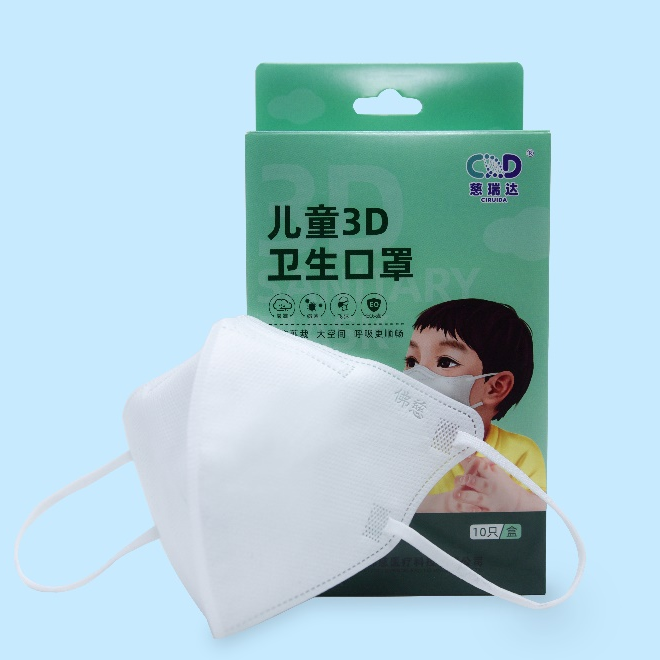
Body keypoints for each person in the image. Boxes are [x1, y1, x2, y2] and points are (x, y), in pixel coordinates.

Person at [404, 299, 546, 513]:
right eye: (412, 362)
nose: (417, 375)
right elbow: (381, 505)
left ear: (495, 387)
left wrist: (516, 500)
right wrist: (444, 504)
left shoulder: (521, 453)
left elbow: (541, 512)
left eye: (445, 362)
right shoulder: (404, 445)